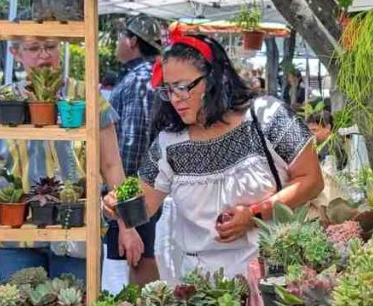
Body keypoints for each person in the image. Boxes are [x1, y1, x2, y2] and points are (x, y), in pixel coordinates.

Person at [0, 38, 143, 306]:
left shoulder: (89, 96)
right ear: (15, 53)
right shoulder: (2, 102)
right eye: (33, 48)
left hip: (77, 232)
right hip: (13, 237)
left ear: (62, 49)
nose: (43, 55)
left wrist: (128, 225)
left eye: (49, 47)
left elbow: (113, 167)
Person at [104, 28, 323, 278]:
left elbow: (312, 180)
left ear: (214, 79)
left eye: (183, 87)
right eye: (168, 90)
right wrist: (117, 205)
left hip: (271, 276)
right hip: (202, 290)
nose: (175, 99)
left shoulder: (268, 117)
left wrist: (254, 215)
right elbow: (144, 206)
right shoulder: (169, 144)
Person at [107, 15, 164, 286]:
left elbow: (133, 140)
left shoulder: (141, 80)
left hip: (135, 187)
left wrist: (124, 194)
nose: (118, 43)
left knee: (139, 256)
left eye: (121, 37)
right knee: (140, 254)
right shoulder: (145, 75)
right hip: (143, 184)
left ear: (132, 41)